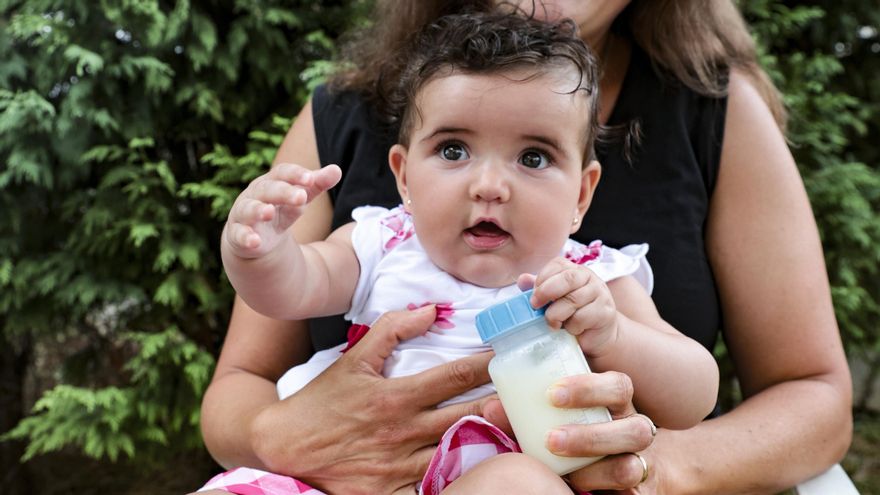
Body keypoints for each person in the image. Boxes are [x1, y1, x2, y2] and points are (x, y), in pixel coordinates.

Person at [198, 1, 853, 494]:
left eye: (534, 156)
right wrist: (256, 249)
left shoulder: (589, 276)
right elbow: (293, 286)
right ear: (401, 172)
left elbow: (696, 391)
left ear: (582, 193)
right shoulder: (380, 238)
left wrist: (616, 339)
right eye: (452, 149)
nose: (490, 185)